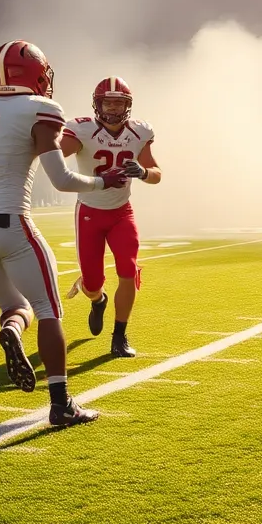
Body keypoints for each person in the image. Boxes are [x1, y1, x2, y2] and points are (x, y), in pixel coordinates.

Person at [0, 41, 128, 427]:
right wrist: (104, 181)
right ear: (36, 73)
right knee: (50, 311)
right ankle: (61, 404)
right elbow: (63, 180)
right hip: (11, 224)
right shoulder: (41, 109)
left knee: (16, 308)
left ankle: (12, 330)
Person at [60, 77, 162, 358]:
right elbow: (55, 159)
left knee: (127, 271)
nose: (114, 108)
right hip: (89, 212)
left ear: (128, 106)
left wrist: (142, 173)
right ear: (97, 103)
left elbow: (156, 173)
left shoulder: (139, 132)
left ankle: (120, 335)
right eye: (109, 101)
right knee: (92, 283)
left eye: (120, 102)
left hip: (121, 212)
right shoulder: (80, 129)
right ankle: (98, 299)